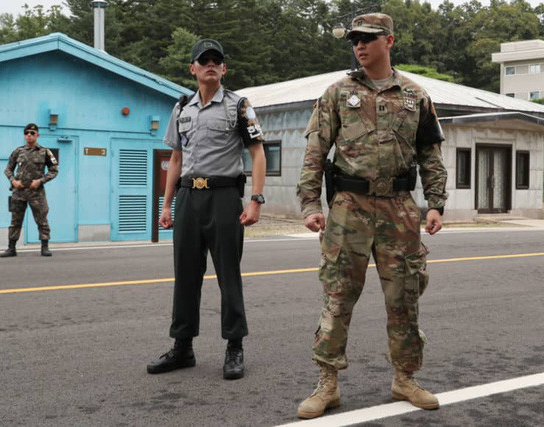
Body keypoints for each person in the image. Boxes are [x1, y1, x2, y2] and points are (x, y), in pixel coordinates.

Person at [295, 13, 448, 418]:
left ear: (389, 41)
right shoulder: (337, 93)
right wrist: (310, 204)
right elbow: (315, 152)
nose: (359, 45)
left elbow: (430, 155)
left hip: (400, 209)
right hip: (349, 208)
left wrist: (436, 203)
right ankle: (327, 383)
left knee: (404, 297)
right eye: (354, 40)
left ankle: (405, 378)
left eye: (367, 38)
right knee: (338, 296)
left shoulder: (416, 96)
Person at [147, 39, 266, 380]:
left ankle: (234, 348)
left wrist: (256, 199)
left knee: (228, 275)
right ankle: (182, 347)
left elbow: (257, 153)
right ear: (193, 68)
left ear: (224, 69)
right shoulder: (182, 107)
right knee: (185, 274)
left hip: (224, 197)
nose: (210, 65)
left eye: (216, 60)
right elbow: (176, 159)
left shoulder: (239, 106)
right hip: (188, 197)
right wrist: (167, 204)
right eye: (204, 60)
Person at [0, 123, 58, 257]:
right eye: (26, 133)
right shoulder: (18, 151)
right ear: (24, 135)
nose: (29, 135)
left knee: (42, 220)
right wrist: (13, 181)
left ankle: (44, 247)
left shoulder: (45, 152)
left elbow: (54, 170)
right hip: (19, 192)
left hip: (36, 193)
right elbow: (8, 169)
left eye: (32, 133)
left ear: (37, 135)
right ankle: (11, 248)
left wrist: (40, 181)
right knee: (15, 221)